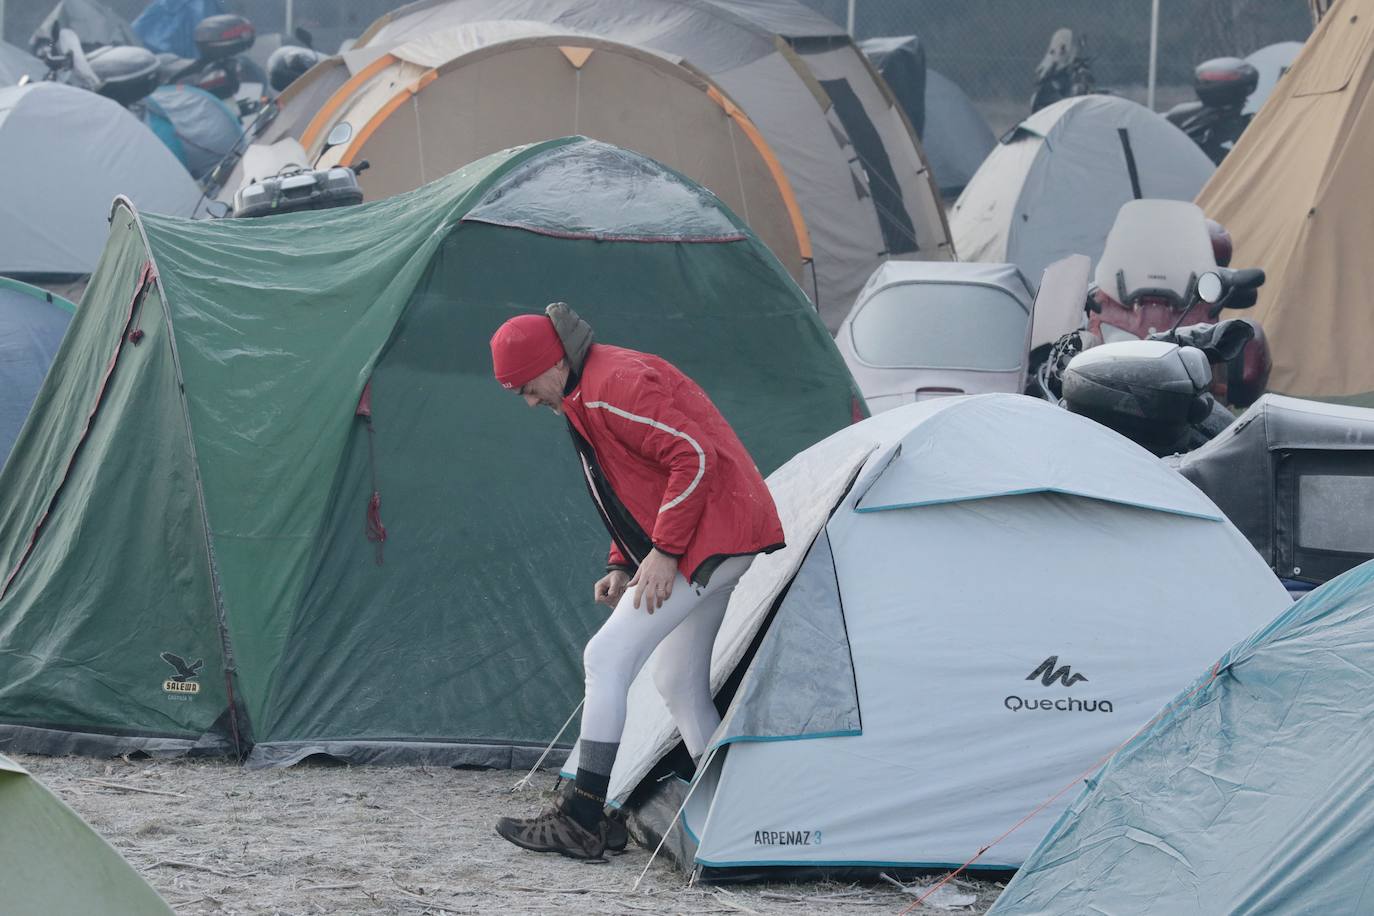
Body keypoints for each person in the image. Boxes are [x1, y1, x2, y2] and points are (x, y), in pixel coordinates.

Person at [489, 303, 785, 861]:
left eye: (527, 388)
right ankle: (742, 811)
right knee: (678, 682)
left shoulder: (612, 384)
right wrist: (623, 560)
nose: (530, 401)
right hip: (713, 534)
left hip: (710, 538)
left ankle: (582, 820)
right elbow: (630, 481)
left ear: (552, 363)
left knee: (606, 658)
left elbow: (693, 458)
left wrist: (666, 552)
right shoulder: (583, 392)